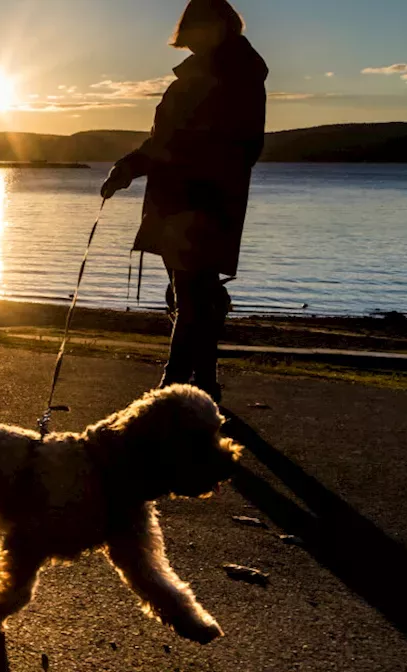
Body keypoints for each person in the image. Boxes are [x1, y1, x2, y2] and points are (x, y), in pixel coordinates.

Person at [100, 0, 266, 402]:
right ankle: (203, 387)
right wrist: (129, 166)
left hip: (198, 203)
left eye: (193, 34)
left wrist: (139, 165)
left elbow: (214, 146)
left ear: (218, 27)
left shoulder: (230, 79)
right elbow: (166, 143)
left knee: (192, 295)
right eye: (186, 37)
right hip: (186, 201)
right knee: (190, 294)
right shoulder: (212, 74)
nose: (188, 44)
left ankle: (173, 387)